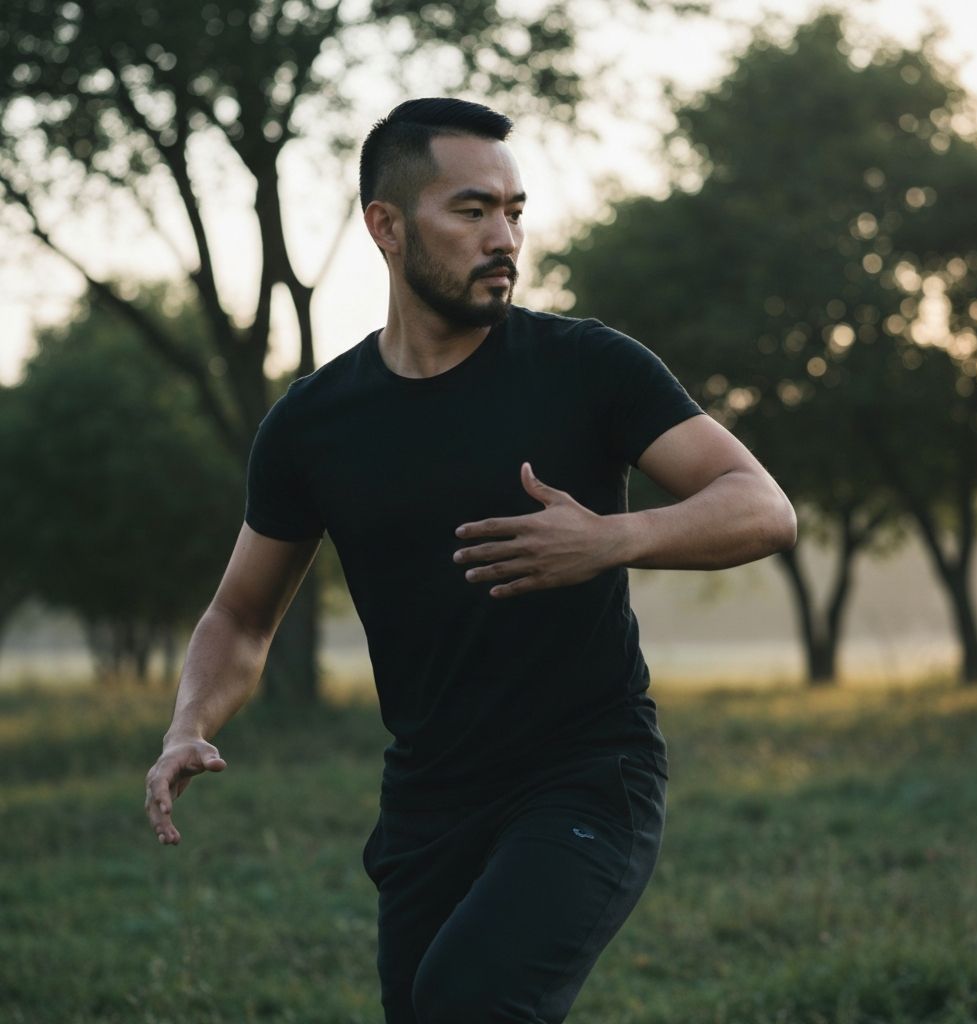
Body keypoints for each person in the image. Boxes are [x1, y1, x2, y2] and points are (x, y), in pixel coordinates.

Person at [145, 97, 797, 1023]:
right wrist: (187, 724)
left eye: (515, 211)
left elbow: (762, 508)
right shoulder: (312, 425)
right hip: (426, 800)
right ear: (386, 225)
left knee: (472, 1001)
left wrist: (609, 540)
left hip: (586, 772)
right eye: (472, 210)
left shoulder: (587, 366)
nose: (505, 237)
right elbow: (242, 617)